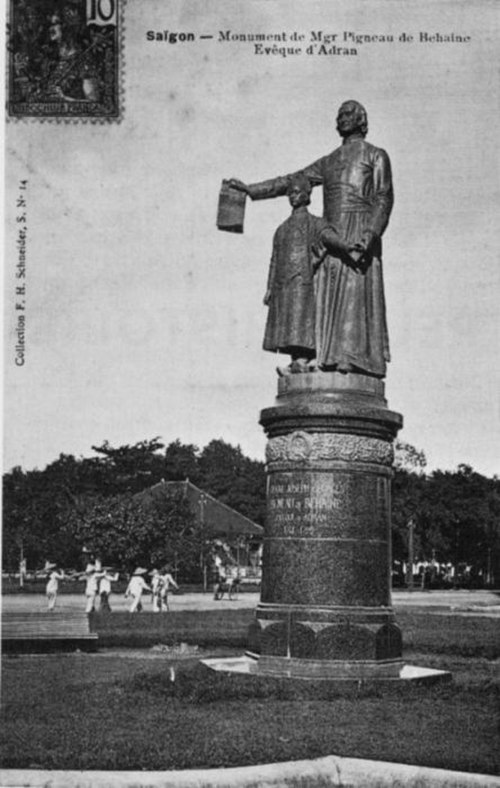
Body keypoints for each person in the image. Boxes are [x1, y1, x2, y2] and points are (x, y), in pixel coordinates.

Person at [227, 100, 394, 379]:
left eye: (348, 114)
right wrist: (250, 190)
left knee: (354, 295)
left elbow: (383, 198)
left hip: (360, 233)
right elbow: (292, 180)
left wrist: (370, 234)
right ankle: (326, 359)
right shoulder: (329, 162)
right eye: (339, 114)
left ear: (361, 120)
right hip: (330, 234)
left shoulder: (376, 155)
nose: (341, 118)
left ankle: (353, 360)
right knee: (325, 297)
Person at [262, 174, 327, 374]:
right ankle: (296, 360)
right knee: (288, 321)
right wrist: (269, 287)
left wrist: (312, 262)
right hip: (283, 283)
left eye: (297, 192)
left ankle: (305, 359)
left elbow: (324, 245)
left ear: (307, 195)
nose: (293, 196)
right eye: (290, 193)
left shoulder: (315, 223)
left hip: (303, 280)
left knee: (302, 319)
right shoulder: (281, 229)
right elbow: (274, 260)